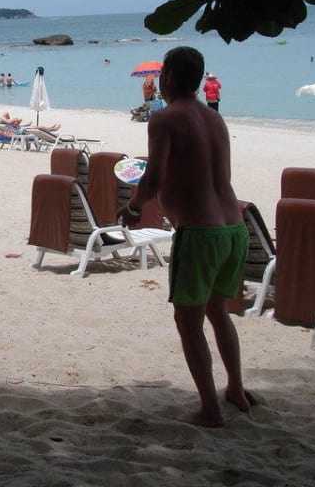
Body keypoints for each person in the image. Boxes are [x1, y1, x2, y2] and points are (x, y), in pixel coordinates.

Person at [118, 46, 250, 428]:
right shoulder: (214, 118)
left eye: (162, 74)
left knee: (188, 322)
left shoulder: (164, 119)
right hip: (234, 228)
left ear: (170, 77)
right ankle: (236, 391)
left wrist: (132, 208)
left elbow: (155, 176)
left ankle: (210, 409)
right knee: (218, 314)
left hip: (200, 233)